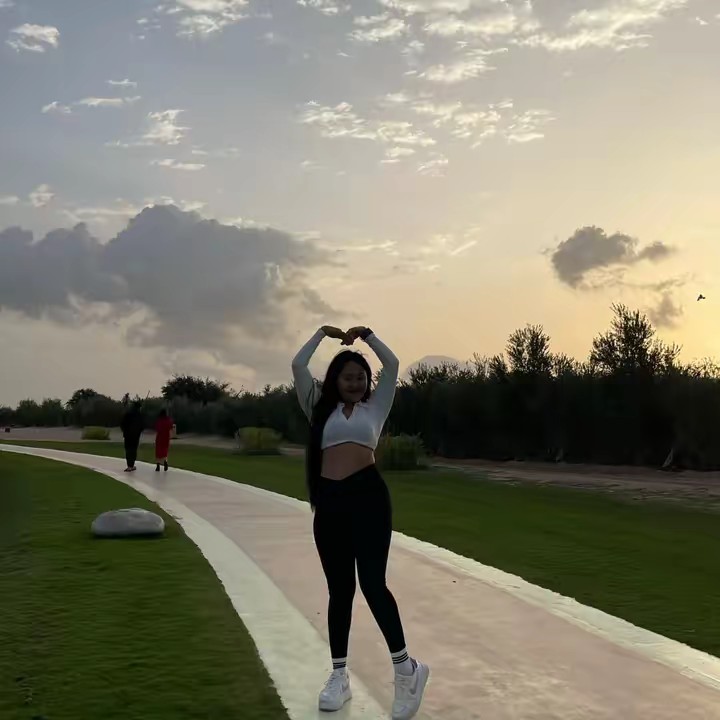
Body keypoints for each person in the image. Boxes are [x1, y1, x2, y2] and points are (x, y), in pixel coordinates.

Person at [291, 324, 429, 720]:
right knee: (340, 591)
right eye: (348, 377)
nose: (355, 383)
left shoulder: (375, 408)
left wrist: (366, 335)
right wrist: (322, 334)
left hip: (368, 499)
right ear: (335, 380)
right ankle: (339, 675)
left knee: (372, 584)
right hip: (330, 503)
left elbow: (393, 364)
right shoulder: (318, 409)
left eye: (361, 377)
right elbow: (299, 365)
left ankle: (406, 671)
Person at [120, 400, 145, 472]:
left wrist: (125, 431)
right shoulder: (139, 415)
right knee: (133, 450)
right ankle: (131, 465)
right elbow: (142, 426)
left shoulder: (127, 414)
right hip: (135, 436)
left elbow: (122, 424)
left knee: (128, 450)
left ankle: (129, 466)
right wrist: (138, 432)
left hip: (127, 435)